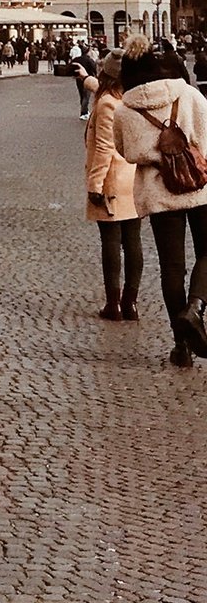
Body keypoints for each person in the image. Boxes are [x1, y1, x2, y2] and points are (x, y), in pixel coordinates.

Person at [113, 36, 207, 366]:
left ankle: (181, 346)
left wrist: (154, 154)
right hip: (199, 188)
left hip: (158, 193)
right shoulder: (188, 94)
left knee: (171, 268)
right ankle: (196, 307)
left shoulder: (124, 109)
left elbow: (125, 152)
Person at [80, 52, 142, 321]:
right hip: (132, 179)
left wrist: (95, 184)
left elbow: (104, 148)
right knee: (133, 242)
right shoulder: (130, 99)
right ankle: (131, 303)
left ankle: (113, 304)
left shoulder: (107, 104)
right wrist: (86, 80)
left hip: (112, 180)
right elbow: (102, 90)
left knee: (111, 244)